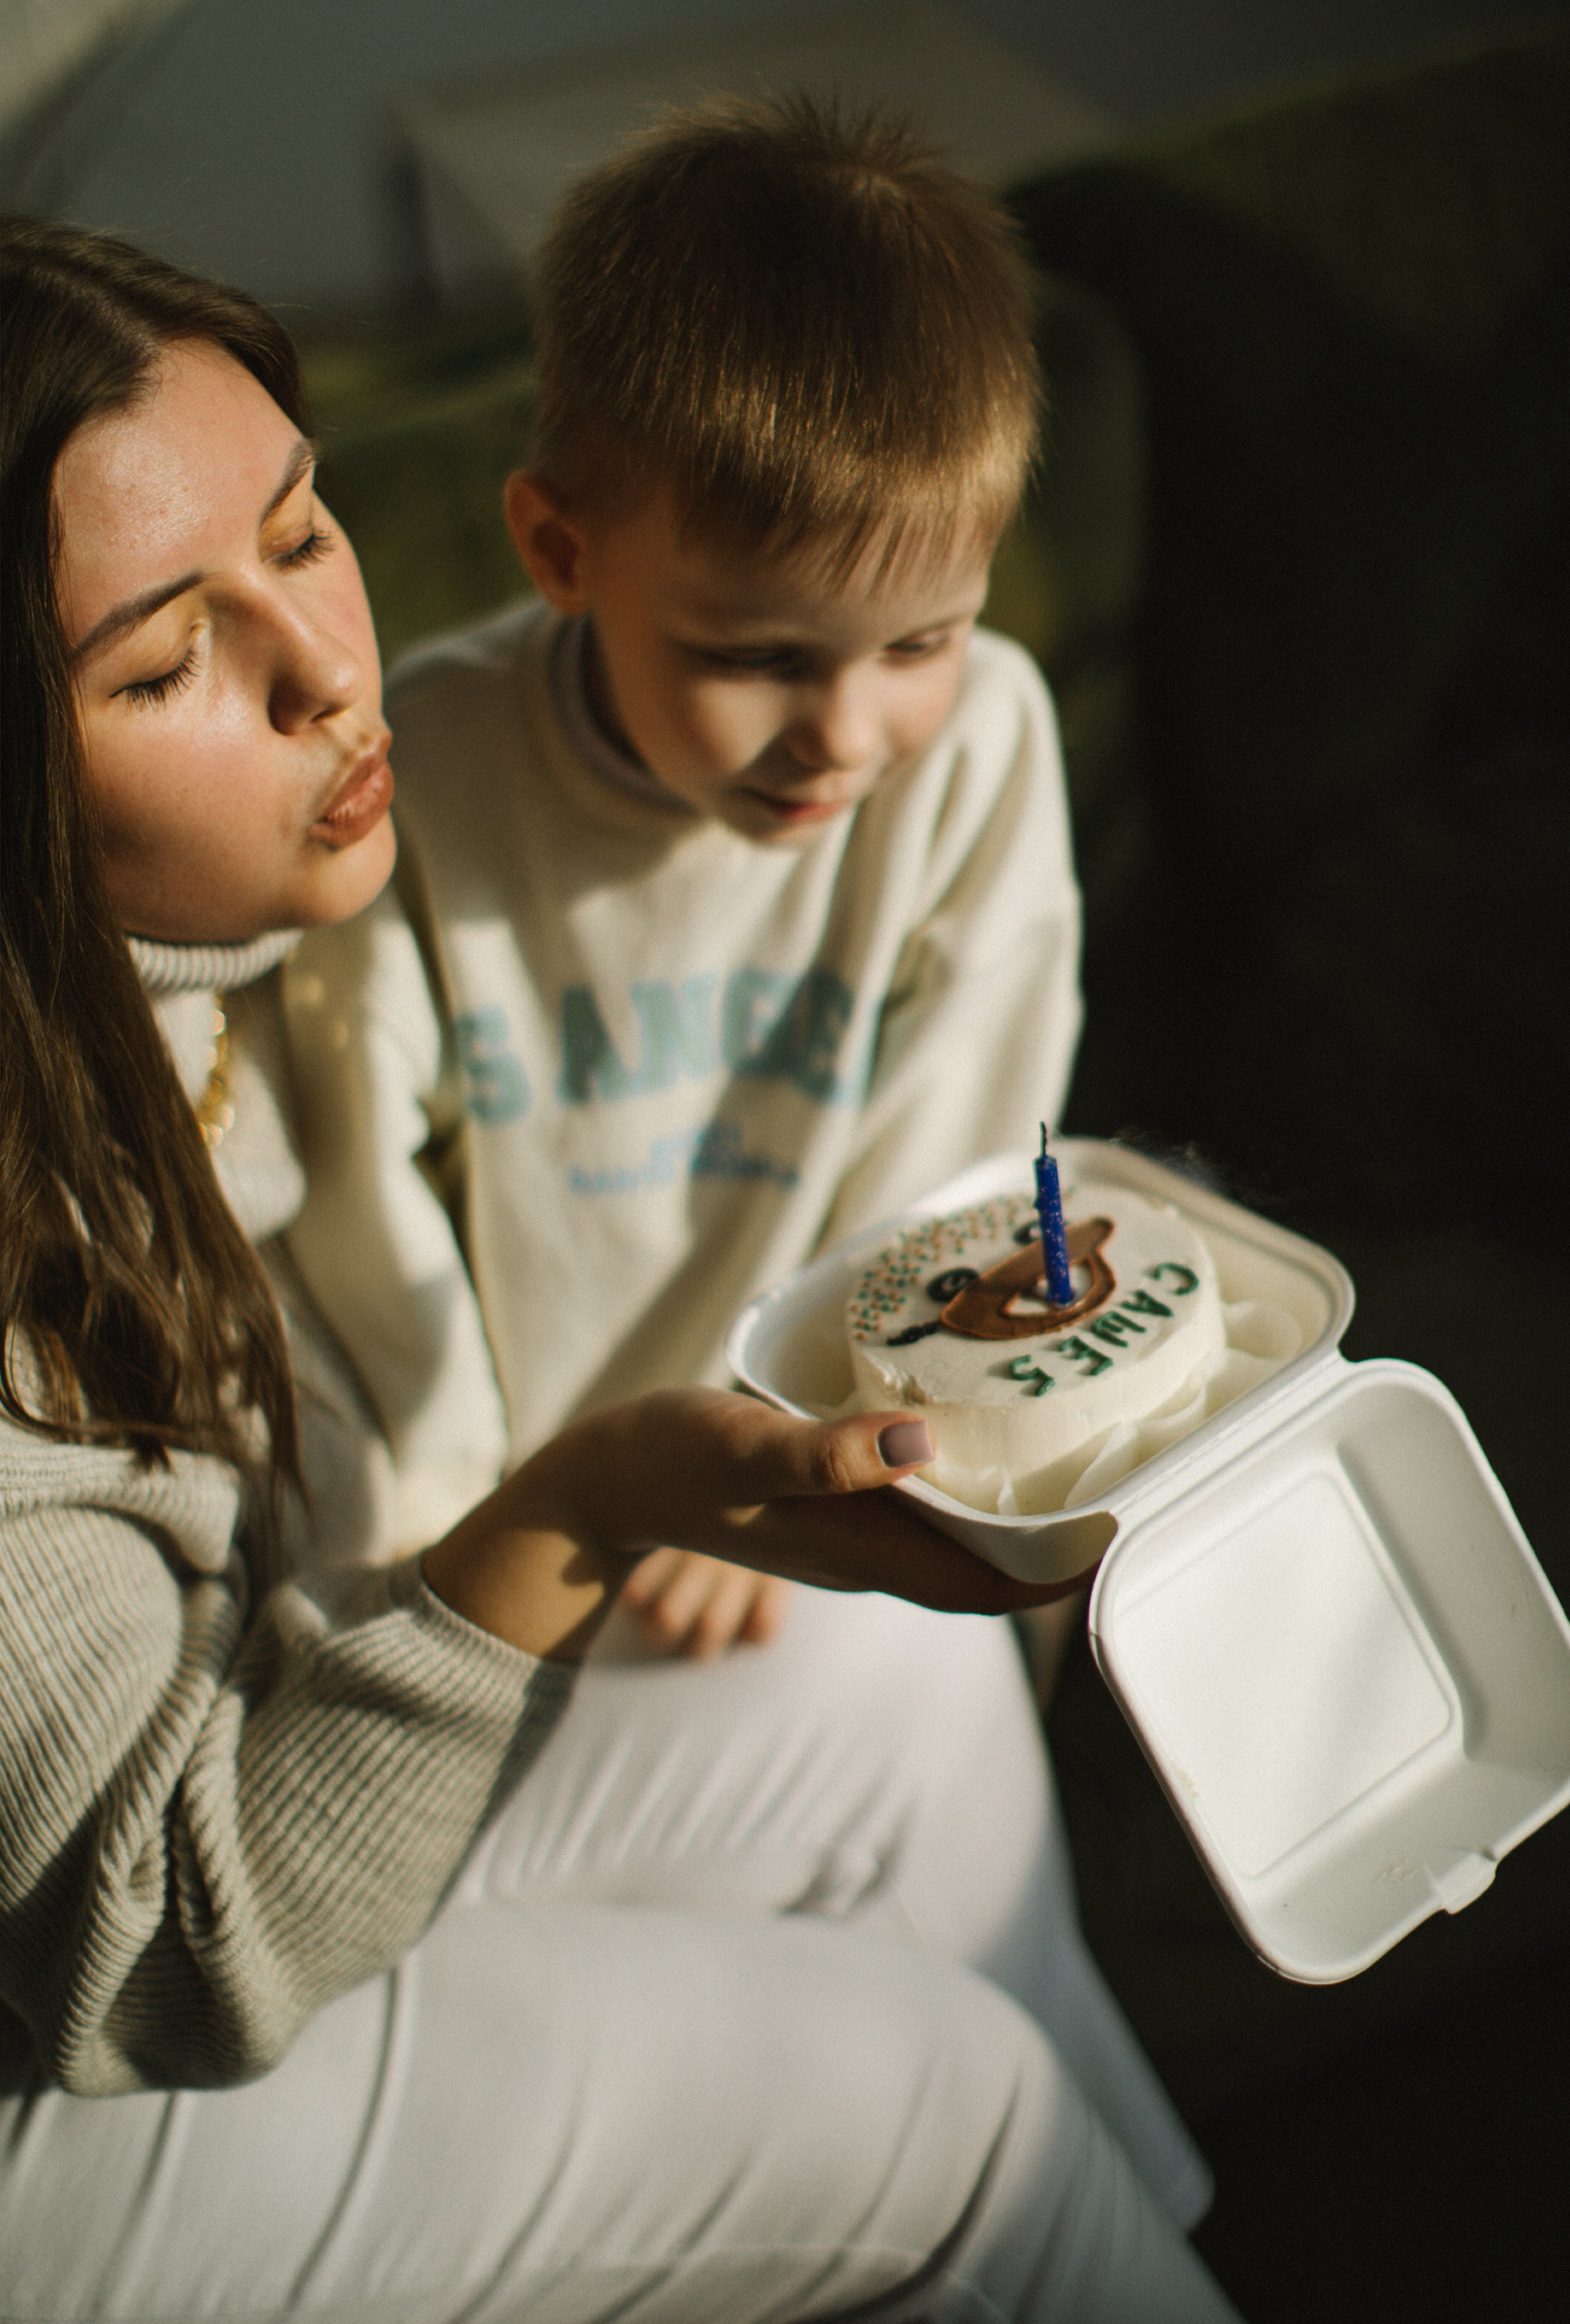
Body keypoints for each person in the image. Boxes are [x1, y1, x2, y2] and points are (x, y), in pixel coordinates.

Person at [0, 216, 1241, 2321]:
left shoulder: (169, 1003)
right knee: (956, 2118)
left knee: (902, 1707)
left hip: (200, 1833)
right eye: (160, 663)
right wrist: (581, 1505)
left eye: (303, 536)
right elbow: (163, 1943)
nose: (326, 670)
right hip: (84, 2056)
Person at [281, 95, 1087, 1659]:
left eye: (920, 638)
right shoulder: (427, 774)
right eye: (756, 657)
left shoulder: (980, 738)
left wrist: (790, 1431)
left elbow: (967, 1122)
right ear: (561, 551)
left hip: (858, 1456)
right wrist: (469, 1524)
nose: (846, 737)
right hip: (521, 1521)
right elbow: (352, 1181)